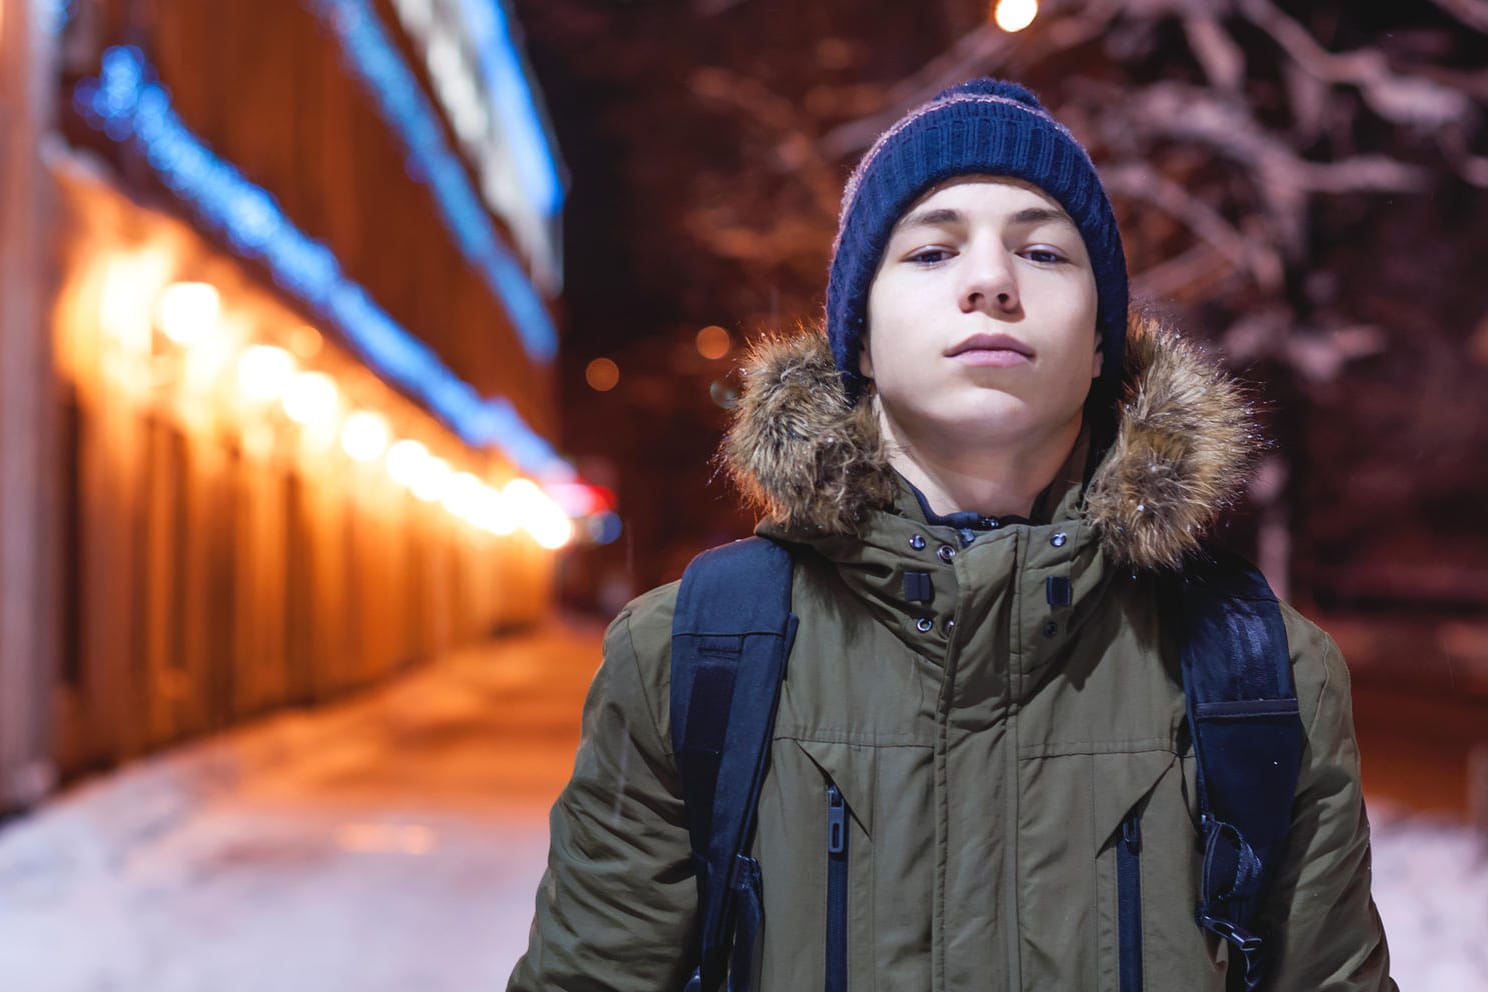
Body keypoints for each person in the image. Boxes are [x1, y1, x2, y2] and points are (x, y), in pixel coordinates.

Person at [508, 78, 1395, 991]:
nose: (989, 281)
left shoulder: (1260, 670)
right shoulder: (691, 657)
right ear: (858, 334)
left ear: (1099, 344)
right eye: (932, 250)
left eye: (1044, 251)